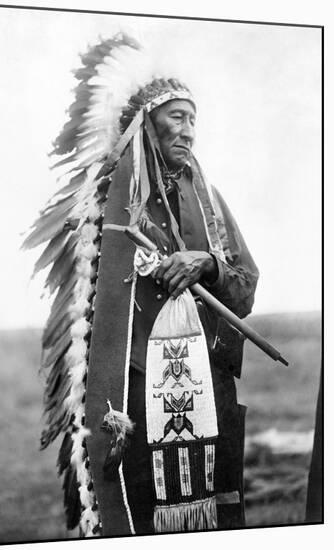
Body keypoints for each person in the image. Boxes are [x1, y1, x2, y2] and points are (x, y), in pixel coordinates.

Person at [24, 34, 259, 538]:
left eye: (194, 119)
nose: (189, 131)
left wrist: (209, 266)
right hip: (133, 394)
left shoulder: (210, 204)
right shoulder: (104, 208)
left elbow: (245, 286)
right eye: (177, 117)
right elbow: (87, 313)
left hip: (208, 388)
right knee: (141, 520)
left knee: (215, 517)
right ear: (144, 123)